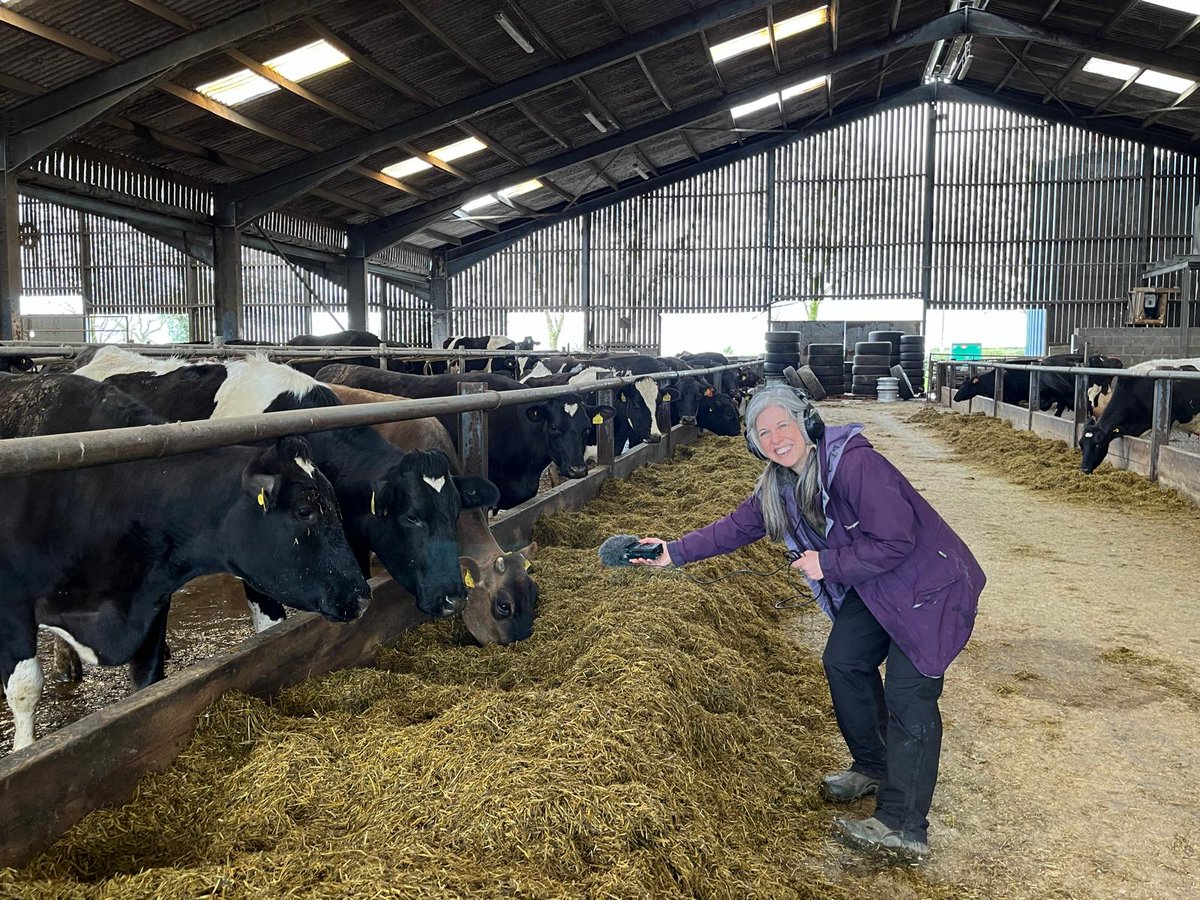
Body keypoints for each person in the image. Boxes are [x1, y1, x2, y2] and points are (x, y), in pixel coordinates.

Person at [632, 384, 985, 861]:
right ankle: (874, 765)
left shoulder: (856, 465)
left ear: (806, 423)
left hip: (928, 585)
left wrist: (828, 565)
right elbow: (734, 527)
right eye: (764, 432)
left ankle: (903, 825)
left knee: (909, 696)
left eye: (784, 424)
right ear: (755, 445)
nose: (777, 438)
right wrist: (672, 552)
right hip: (875, 582)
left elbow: (897, 541)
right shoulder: (779, 487)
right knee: (843, 661)